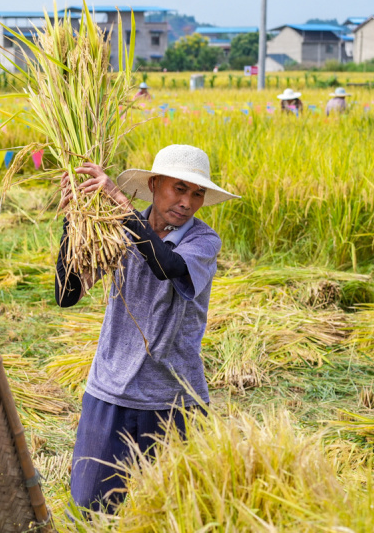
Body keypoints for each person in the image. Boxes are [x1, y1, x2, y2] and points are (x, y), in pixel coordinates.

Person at [56, 144, 239, 513]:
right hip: (110, 389)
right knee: (90, 507)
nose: (187, 202)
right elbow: (67, 294)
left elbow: (164, 264)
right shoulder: (116, 232)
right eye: (179, 188)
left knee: (175, 511)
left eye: (197, 194)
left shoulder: (202, 241)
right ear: (154, 184)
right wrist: (73, 222)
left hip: (173, 397)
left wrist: (120, 204)